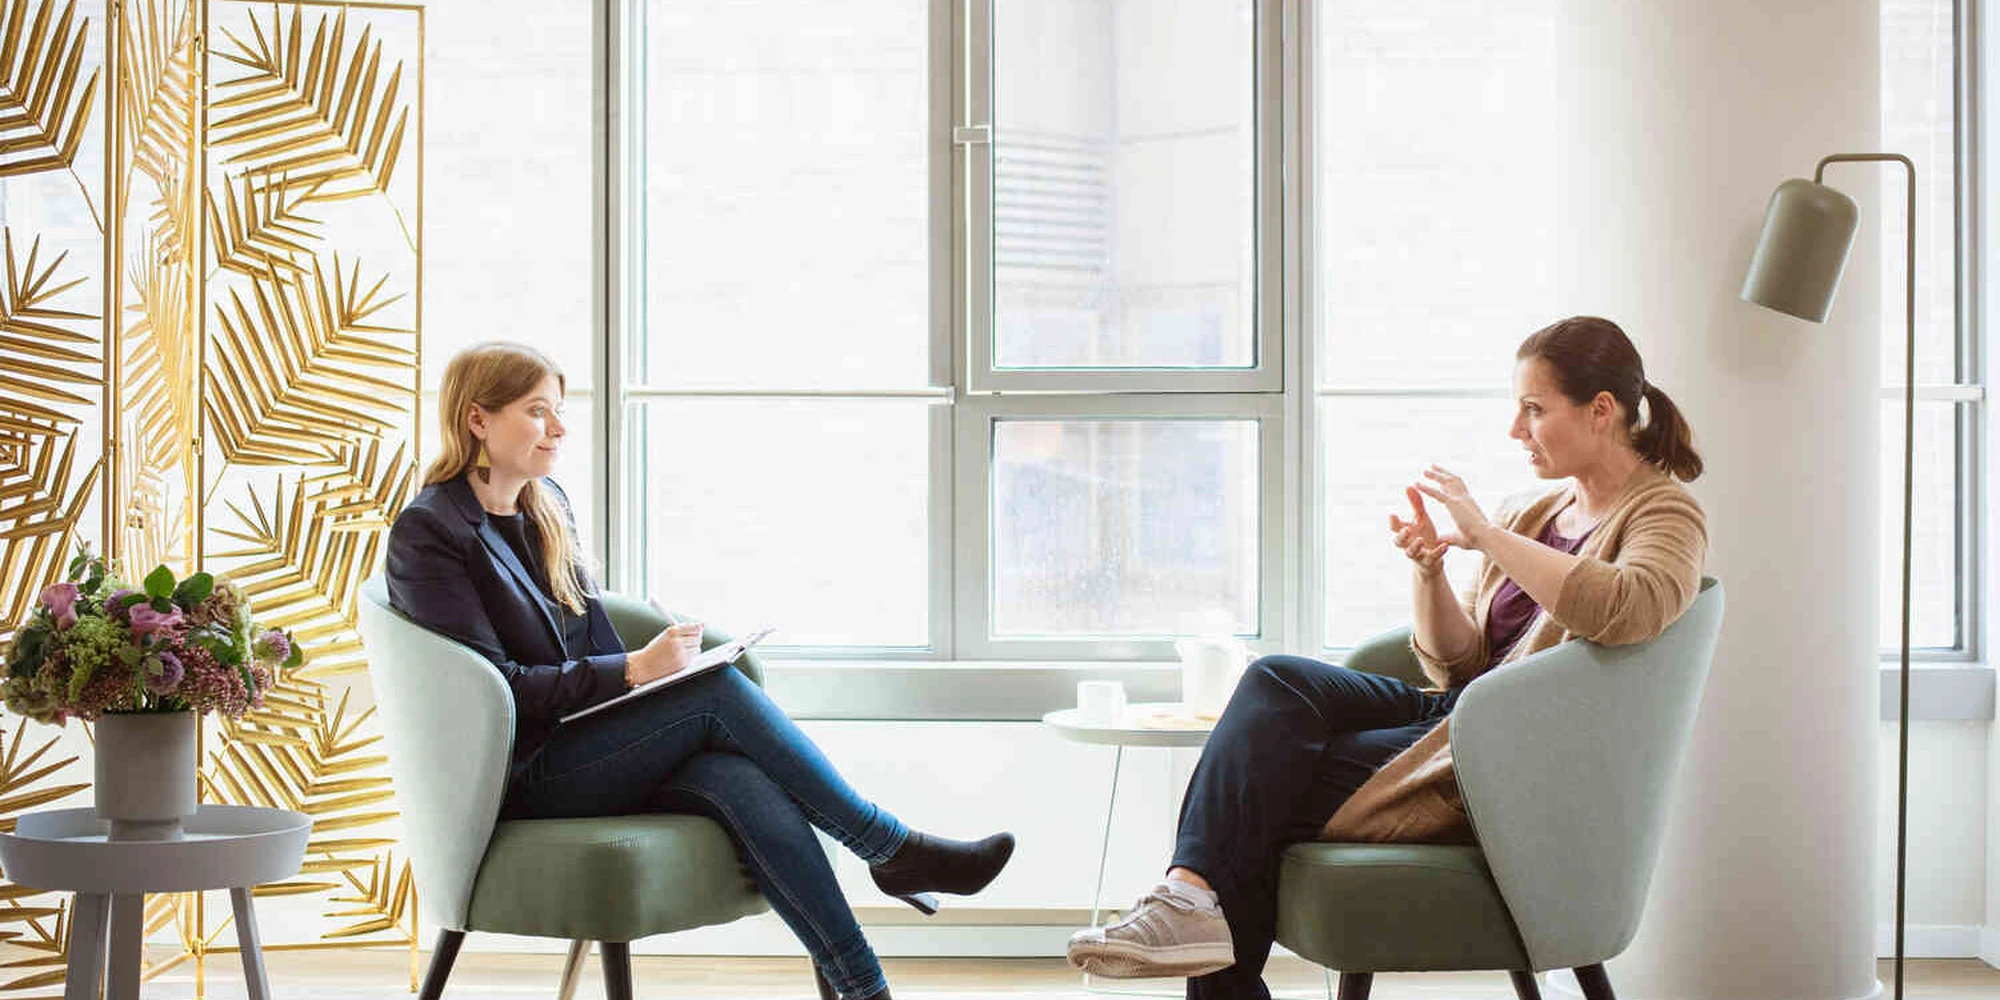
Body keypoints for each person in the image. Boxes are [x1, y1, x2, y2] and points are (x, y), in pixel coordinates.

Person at [1067, 316, 1709, 1000]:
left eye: (1533, 409)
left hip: (1503, 758)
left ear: (1601, 410)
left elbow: (1630, 608)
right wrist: (1430, 572)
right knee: (1276, 679)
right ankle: (1187, 896)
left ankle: (1186, 900)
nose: (1515, 430)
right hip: (1460, 712)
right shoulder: (1533, 511)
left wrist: (1486, 536)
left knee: (1260, 783)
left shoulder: (1665, 514)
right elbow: (1460, 666)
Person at [386, 341, 1015, 1000]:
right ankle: (890, 848)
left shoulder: (547, 505)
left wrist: (659, 676)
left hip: (584, 743)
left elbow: (586, 634)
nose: (559, 428)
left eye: (559, 410)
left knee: (737, 776)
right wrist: (634, 670)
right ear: (478, 419)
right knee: (715, 695)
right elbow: (500, 692)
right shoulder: (430, 533)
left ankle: (866, 988)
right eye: (537, 411)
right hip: (521, 772)